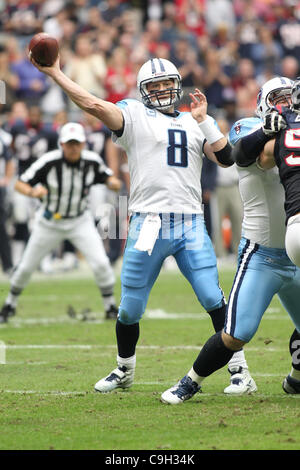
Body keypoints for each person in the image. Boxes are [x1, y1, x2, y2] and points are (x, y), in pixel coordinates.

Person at [29, 53, 254, 394]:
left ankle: (240, 371)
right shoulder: (133, 114)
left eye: (168, 83)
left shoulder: (195, 121)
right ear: (143, 90)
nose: (163, 89)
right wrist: (56, 74)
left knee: (212, 296)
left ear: (177, 86)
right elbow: (91, 103)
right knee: (130, 307)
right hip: (148, 223)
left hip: (189, 222)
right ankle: (124, 370)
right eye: (156, 85)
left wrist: (205, 121)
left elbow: (226, 160)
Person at [161, 76, 300, 404]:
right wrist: (269, 130)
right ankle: (190, 381)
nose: (285, 104)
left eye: (288, 98)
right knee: (236, 334)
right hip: (262, 255)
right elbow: (249, 156)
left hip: (298, 252)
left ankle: (295, 378)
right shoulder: (248, 128)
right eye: (277, 98)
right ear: (264, 102)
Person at [0, 122, 121, 324]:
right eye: (69, 144)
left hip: (79, 220)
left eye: (77, 143)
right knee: (26, 267)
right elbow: (21, 183)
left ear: (83, 144)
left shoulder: (91, 161)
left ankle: (109, 306)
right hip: (49, 222)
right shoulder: (49, 161)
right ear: (62, 144)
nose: (73, 148)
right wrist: (32, 191)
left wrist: (113, 183)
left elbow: (107, 177)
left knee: (101, 263)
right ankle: (10, 304)